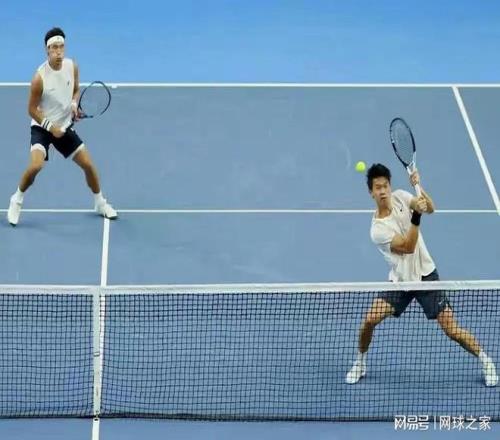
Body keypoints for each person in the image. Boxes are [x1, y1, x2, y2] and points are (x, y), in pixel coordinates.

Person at [345, 163, 497, 387]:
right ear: (371, 192)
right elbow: (408, 246)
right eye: (378, 188)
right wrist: (416, 215)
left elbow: (430, 208)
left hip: (426, 276)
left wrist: (419, 190)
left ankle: (486, 361)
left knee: (452, 330)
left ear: (390, 186)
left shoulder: (400, 196)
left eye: (385, 186)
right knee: (369, 320)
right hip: (402, 281)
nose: (383, 191)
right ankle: (360, 362)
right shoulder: (377, 230)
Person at [7, 27, 117, 226]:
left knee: (88, 165)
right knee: (36, 166)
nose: (59, 52)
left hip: (64, 126)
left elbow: (75, 90)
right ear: (47, 50)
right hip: (42, 128)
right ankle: (17, 199)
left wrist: (74, 105)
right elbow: (31, 109)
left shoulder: (71, 67)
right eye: (54, 48)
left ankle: (100, 203)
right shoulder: (39, 78)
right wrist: (50, 127)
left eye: (61, 47)